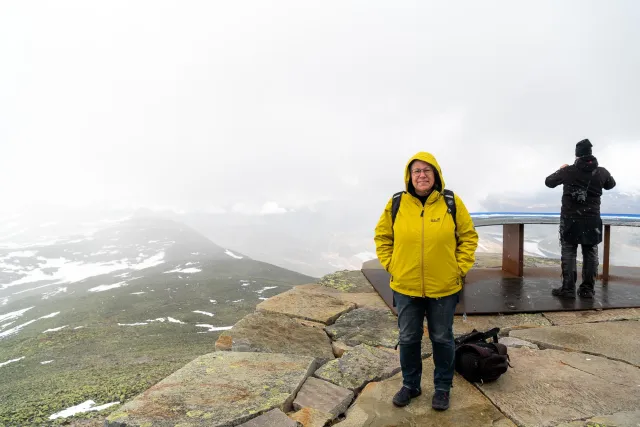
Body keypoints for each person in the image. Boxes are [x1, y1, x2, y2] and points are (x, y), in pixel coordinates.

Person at [374, 151, 478, 411]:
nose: (422, 175)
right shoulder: (397, 203)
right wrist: (392, 265)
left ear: (436, 175)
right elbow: (382, 237)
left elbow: (468, 237)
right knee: (408, 338)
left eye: (427, 170)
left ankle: (443, 388)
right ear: (409, 176)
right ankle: (411, 385)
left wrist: (458, 268)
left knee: (442, 338)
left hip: (443, 287)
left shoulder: (451, 202)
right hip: (406, 286)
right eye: (417, 171)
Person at [545, 139, 616, 299]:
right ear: (591, 153)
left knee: (569, 252)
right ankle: (587, 290)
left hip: (570, 220)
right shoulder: (601, 172)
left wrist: (561, 169)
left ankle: (568, 290)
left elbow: (549, 182)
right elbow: (611, 184)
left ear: (577, 154)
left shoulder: (568, 171)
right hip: (592, 220)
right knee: (590, 253)